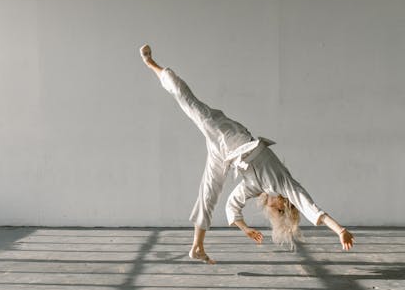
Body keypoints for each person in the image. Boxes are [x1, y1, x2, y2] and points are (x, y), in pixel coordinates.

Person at [140, 44, 354, 264]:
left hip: (224, 154)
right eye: (279, 212)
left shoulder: (255, 187)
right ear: (283, 205)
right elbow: (311, 207)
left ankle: (197, 246)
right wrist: (340, 230)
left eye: (275, 215)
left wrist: (245, 228)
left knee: (208, 193)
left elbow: (231, 205)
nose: (272, 211)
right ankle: (152, 64)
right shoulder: (283, 182)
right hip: (231, 137)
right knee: (190, 103)